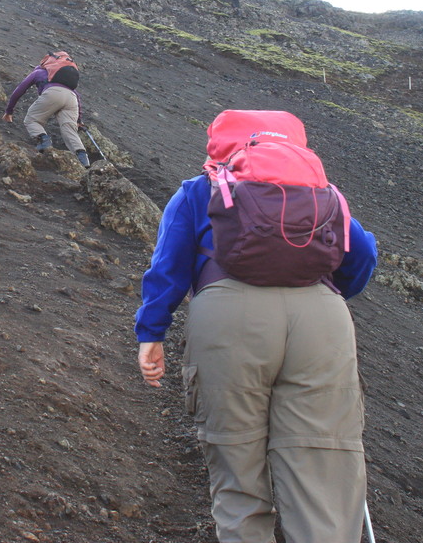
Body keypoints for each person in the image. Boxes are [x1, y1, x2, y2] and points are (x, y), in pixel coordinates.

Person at [135, 110, 378, 543]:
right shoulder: (322, 193)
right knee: (322, 470)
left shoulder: (199, 190)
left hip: (228, 319)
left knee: (238, 468)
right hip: (322, 321)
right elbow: (362, 255)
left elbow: (167, 268)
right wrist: (324, 294)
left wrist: (151, 334)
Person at [2, 51, 90, 167]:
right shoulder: (64, 78)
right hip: (71, 99)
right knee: (69, 129)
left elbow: (19, 91)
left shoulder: (39, 72)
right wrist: (78, 121)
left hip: (52, 93)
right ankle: (82, 158)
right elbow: (77, 96)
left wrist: (9, 112)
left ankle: (44, 140)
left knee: (32, 120)